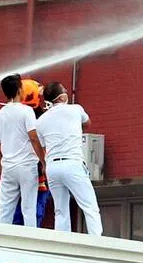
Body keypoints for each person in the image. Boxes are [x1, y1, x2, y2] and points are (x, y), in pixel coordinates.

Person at [36, 82, 103, 235]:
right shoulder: (75, 109)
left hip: (52, 167)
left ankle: (62, 243)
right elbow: (88, 123)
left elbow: (43, 143)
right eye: (64, 90)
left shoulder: (40, 121)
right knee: (89, 206)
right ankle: (97, 242)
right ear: (62, 96)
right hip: (72, 163)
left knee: (60, 210)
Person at [0, 73, 44, 227]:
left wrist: (1, 169)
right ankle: (30, 242)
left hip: (7, 166)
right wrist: (43, 160)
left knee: (5, 207)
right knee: (28, 207)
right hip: (27, 166)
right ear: (20, 90)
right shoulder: (26, 111)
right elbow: (33, 137)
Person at [12, 78, 51, 227]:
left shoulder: (9, 116)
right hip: (35, 169)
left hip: (14, 168)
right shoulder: (39, 117)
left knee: (15, 211)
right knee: (33, 211)